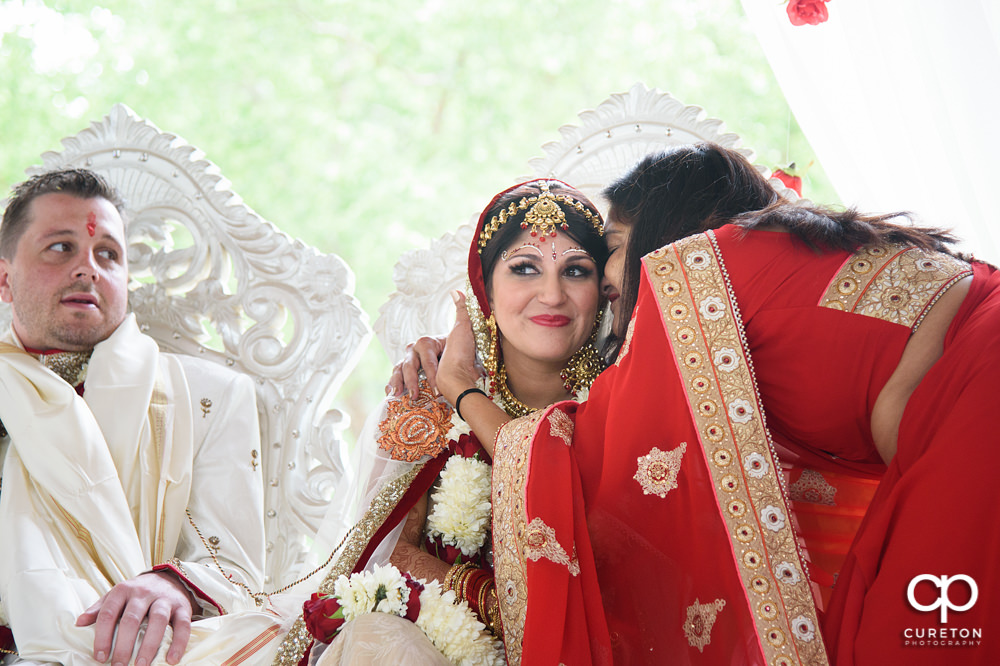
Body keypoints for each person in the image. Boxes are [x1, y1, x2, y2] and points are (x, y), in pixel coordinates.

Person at [409, 142, 1000, 664]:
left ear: (663, 227)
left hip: (974, 417)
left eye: (605, 253)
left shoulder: (696, 277)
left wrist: (463, 389)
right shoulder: (773, 249)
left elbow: (579, 467)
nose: (608, 281)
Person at [270, 179, 608, 665]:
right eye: (525, 268)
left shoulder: (618, 402)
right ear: (485, 291)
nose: (551, 295)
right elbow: (391, 553)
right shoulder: (429, 396)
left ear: (604, 291)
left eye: (575, 270)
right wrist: (491, 602)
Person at [0, 169, 272, 665]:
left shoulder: (209, 396)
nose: (88, 269)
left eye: (108, 254)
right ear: (5, 279)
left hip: (139, 652)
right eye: (61, 248)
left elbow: (233, 566)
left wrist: (172, 584)